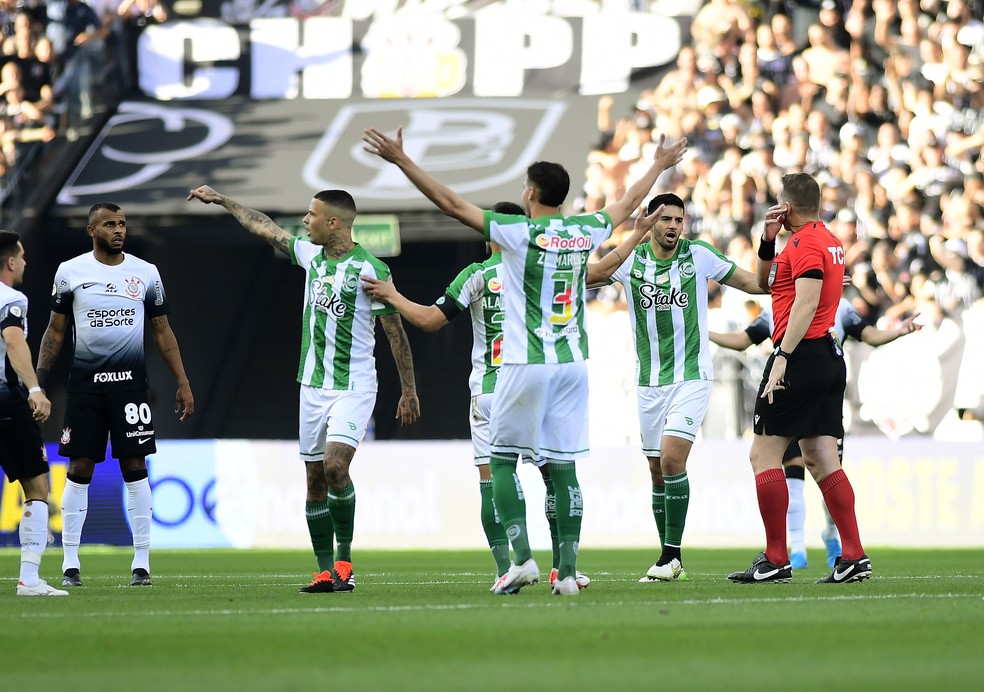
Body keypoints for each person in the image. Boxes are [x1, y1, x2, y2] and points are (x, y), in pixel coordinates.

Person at [362, 125, 686, 595]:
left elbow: (452, 205)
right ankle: (569, 572)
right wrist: (659, 164)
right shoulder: (584, 229)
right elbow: (629, 204)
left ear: (530, 192)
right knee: (564, 466)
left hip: (525, 362)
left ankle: (520, 560)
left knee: (500, 460)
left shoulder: (516, 232)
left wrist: (403, 161)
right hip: (573, 364)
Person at [187, 185, 420, 594]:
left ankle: (345, 562)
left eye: (312, 215)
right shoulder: (310, 257)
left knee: (335, 468)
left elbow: (394, 332)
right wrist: (224, 201)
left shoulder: (372, 270)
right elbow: (265, 227)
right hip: (311, 386)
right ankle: (325, 571)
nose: (306, 221)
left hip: (354, 385)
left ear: (333, 222)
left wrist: (409, 390)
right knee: (314, 481)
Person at [589, 192, 766, 583]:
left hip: (691, 375)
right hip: (649, 381)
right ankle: (668, 556)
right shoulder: (631, 256)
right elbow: (592, 276)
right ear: (650, 221)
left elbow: (753, 283)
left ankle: (671, 556)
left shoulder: (698, 255)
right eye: (665, 219)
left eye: (678, 220)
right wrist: (631, 237)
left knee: (672, 459)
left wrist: (795, 276)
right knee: (656, 471)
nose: (672, 226)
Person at [37, 203, 195, 588]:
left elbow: (162, 331)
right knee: (80, 468)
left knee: (135, 466)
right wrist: (38, 382)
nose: (119, 229)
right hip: (85, 388)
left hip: (129, 388)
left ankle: (141, 563)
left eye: (122, 223)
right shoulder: (71, 272)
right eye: (110, 224)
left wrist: (183, 381)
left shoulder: (145, 273)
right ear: (92, 230)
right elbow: (55, 332)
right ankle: (70, 564)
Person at [727, 172, 871, 585]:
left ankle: (775, 558)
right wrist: (768, 241)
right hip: (826, 355)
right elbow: (764, 282)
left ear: (786, 206)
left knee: (762, 455)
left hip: (802, 354)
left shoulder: (806, 244)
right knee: (822, 458)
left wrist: (782, 358)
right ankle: (853, 554)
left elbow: (805, 302)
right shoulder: (827, 240)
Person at [711, 299, 921, 569]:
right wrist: (705, 332)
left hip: (792, 377)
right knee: (814, 468)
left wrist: (898, 331)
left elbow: (869, 335)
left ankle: (794, 551)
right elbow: (743, 339)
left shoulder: (808, 299)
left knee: (770, 458)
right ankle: (818, 550)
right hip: (828, 373)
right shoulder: (812, 301)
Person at [0, 231, 67, 596]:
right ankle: (29, 578)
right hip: (7, 402)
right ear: (10, 262)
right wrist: (36, 389)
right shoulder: (11, 298)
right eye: (21, 257)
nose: (25, 262)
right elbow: (13, 339)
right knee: (37, 487)